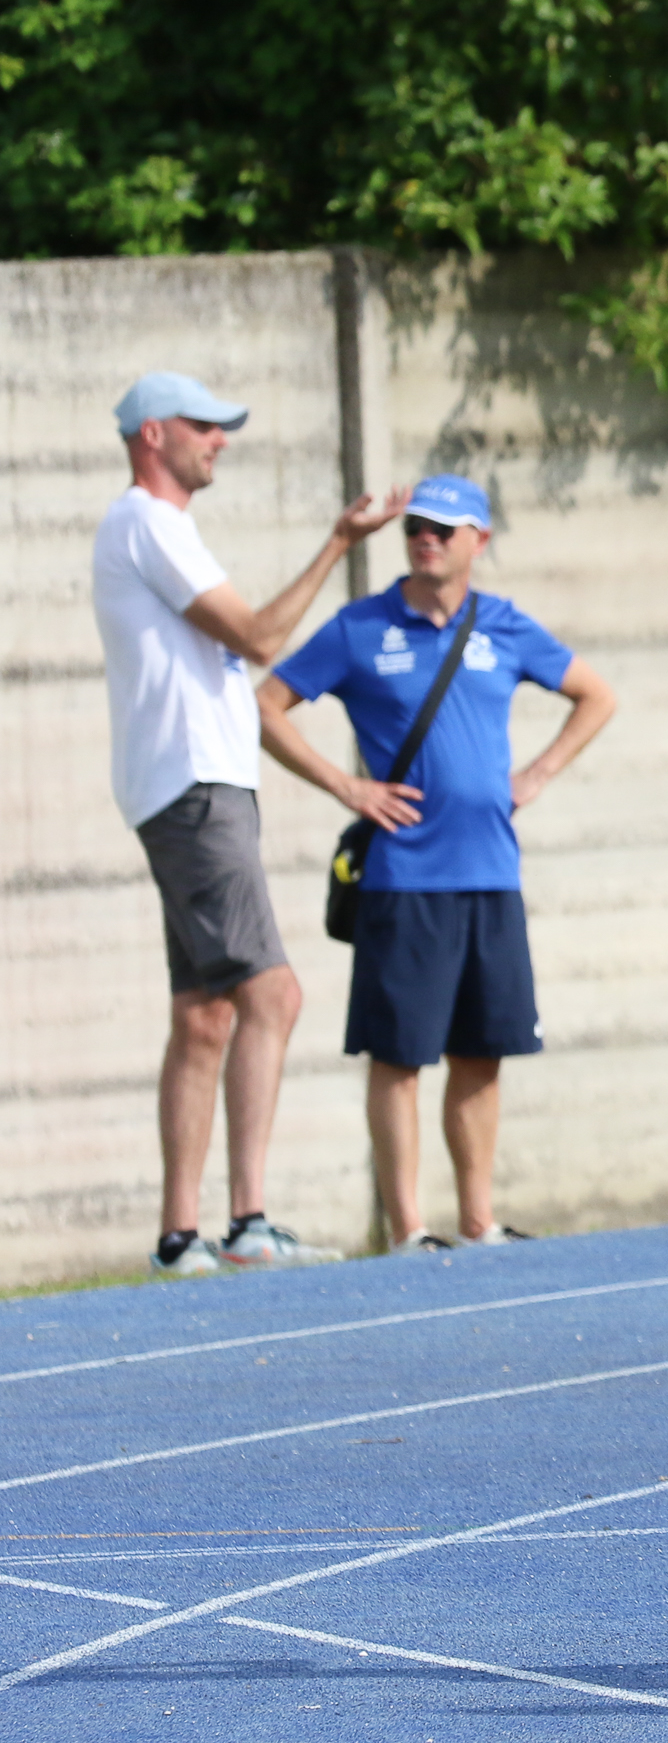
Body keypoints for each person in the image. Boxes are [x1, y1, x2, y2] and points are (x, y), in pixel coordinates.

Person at [257, 474, 618, 1252]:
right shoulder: (361, 628)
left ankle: (479, 1222)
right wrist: (347, 786)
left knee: (482, 1053)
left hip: (491, 876)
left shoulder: (505, 626)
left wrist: (538, 774)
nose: (426, 538)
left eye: (443, 530)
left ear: (478, 541)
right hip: (404, 880)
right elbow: (264, 705)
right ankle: (409, 1231)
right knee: (399, 1055)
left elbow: (597, 695)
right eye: (416, 527)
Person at [93, 371, 402, 1274]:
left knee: (204, 1013)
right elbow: (260, 639)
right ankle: (249, 1222)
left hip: (192, 788)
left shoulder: (155, 528)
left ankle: (179, 1237)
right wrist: (337, 543)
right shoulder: (148, 523)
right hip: (196, 791)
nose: (219, 439)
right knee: (275, 995)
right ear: (154, 434)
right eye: (203, 425)